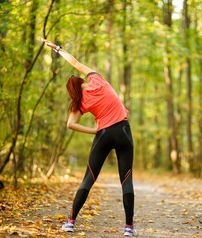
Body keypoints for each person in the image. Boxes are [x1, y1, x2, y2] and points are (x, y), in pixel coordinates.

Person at [41, 38, 137, 237]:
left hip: (103, 134)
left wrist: (95, 131)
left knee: (89, 178)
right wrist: (58, 49)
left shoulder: (80, 102)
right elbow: (75, 63)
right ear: (83, 81)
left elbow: (70, 124)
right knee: (126, 180)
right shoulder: (98, 80)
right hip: (123, 131)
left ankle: (70, 222)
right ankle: (128, 228)